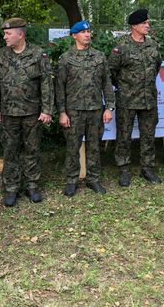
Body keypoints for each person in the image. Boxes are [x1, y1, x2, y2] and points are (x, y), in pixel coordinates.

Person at [0, 18, 53, 207]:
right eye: (5, 33)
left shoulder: (38, 54)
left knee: (32, 149)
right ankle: (11, 188)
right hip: (8, 113)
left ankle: (32, 185)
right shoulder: (0, 55)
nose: (5, 37)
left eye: (8, 33)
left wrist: (47, 109)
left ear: (21, 34)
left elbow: (46, 83)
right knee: (10, 150)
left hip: (32, 112)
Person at [55, 20, 115, 196]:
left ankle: (93, 179)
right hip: (73, 111)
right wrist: (62, 112)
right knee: (72, 147)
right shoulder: (66, 58)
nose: (87, 34)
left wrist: (109, 107)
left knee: (94, 146)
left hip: (95, 109)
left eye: (88, 31)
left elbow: (107, 84)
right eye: (83, 32)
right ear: (74, 35)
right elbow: (59, 87)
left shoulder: (99, 57)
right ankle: (72, 181)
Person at [108, 8, 162, 187]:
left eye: (147, 22)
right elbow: (112, 71)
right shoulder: (121, 46)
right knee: (124, 135)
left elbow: (156, 67)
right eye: (144, 23)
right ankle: (124, 169)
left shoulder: (153, 45)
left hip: (148, 98)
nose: (147, 25)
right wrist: (126, 87)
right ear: (134, 26)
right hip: (127, 99)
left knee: (148, 135)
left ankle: (147, 168)